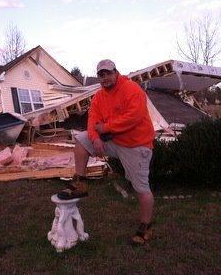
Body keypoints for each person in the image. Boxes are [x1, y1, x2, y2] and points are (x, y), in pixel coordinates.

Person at [57, 59, 155, 246]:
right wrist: (95, 138)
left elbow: (133, 118)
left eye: (108, 73)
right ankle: (81, 182)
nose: (105, 78)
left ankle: (146, 227)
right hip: (116, 142)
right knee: (82, 139)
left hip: (137, 145)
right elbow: (93, 121)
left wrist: (105, 128)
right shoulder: (99, 97)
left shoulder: (132, 89)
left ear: (116, 72)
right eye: (101, 75)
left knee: (141, 189)